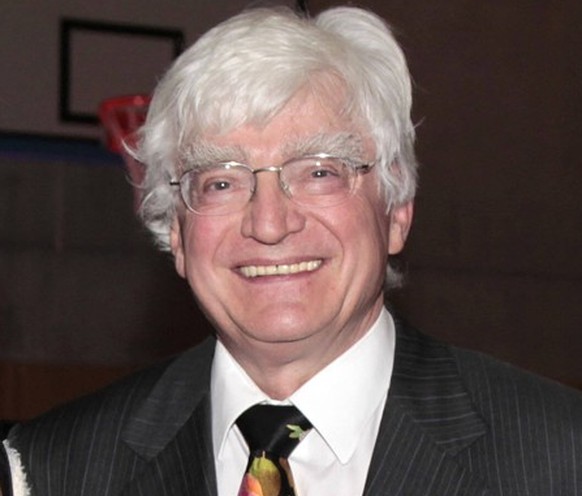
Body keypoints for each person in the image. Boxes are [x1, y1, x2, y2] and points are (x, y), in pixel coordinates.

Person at [4, 6, 582, 496]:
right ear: (176, 233)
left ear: (398, 210)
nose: (270, 222)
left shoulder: (561, 459)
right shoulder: (49, 470)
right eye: (222, 182)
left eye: (320, 172)